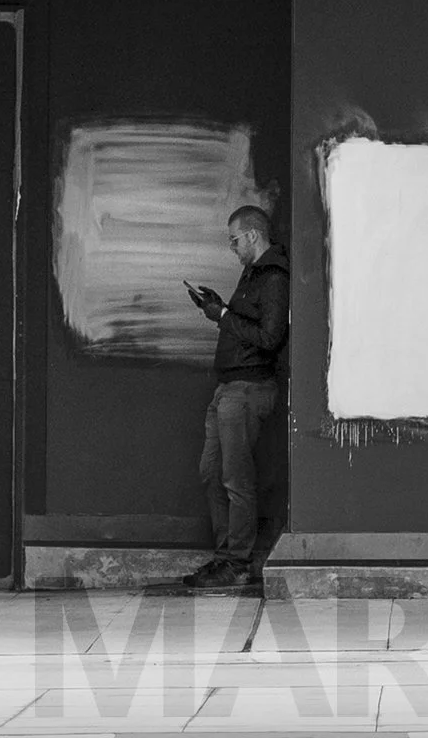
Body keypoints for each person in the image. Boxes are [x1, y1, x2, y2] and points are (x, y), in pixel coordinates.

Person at [183, 205, 290, 589]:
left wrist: (224, 315)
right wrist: (222, 309)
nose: (232, 248)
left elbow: (270, 338)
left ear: (252, 235)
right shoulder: (252, 274)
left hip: (248, 389)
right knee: (212, 472)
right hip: (228, 389)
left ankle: (237, 562)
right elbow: (245, 325)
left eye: (234, 240)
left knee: (235, 478)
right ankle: (224, 557)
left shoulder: (273, 276)